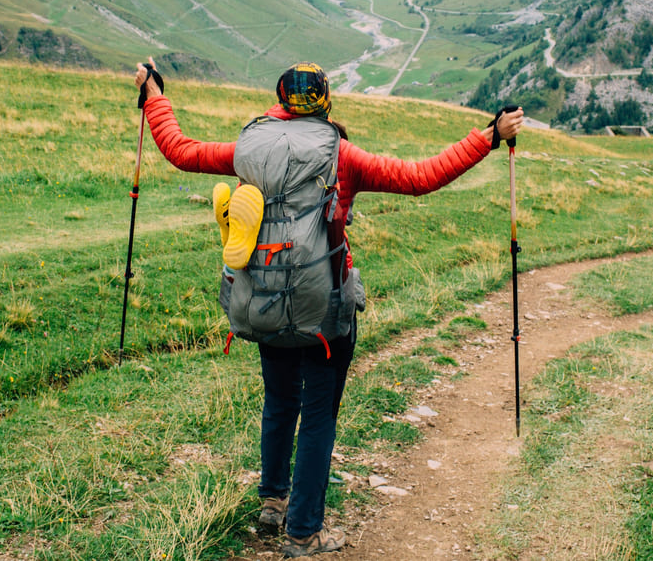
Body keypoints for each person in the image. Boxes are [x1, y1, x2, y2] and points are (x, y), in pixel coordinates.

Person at [134, 60, 523, 558]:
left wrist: (155, 95)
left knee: (279, 403)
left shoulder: (249, 150)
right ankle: (304, 531)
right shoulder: (341, 155)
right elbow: (421, 177)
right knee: (318, 416)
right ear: (325, 102)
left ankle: (273, 502)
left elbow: (180, 151)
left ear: (279, 100)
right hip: (326, 308)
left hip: (264, 298)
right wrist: (488, 137)